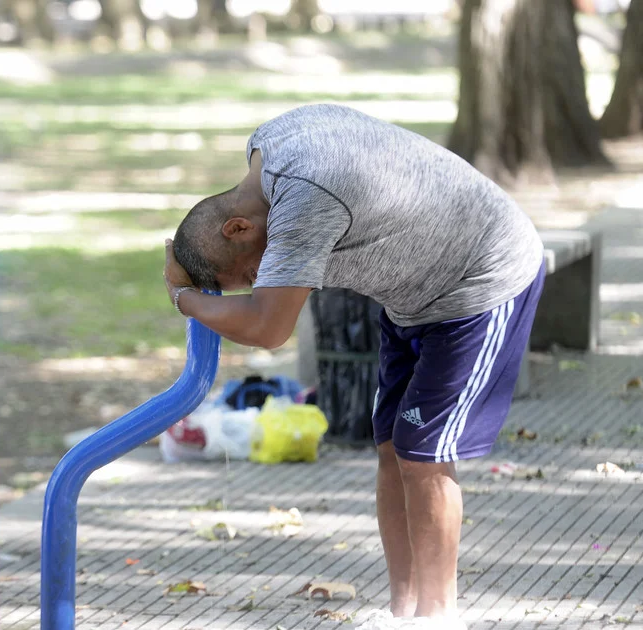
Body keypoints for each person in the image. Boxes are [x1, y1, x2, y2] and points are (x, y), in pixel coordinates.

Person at [162, 104, 545, 629]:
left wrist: (183, 298)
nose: (262, 276)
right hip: (413, 295)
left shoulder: (304, 199)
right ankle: (403, 610)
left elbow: (269, 328)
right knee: (392, 447)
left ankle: (437, 617)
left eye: (250, 269)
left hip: (481, 280)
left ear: (238, 226)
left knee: (424, 454)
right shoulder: (268, 147)